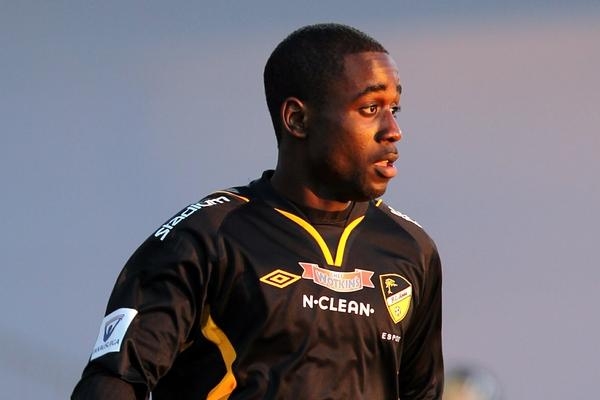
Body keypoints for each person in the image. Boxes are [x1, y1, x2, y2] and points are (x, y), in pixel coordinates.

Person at [72, 23, 443, 399]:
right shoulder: (205, 238)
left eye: (394, 109)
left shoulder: (411, 249)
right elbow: (113, 383)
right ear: (297, 119)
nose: (393, 130)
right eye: (370, 108)